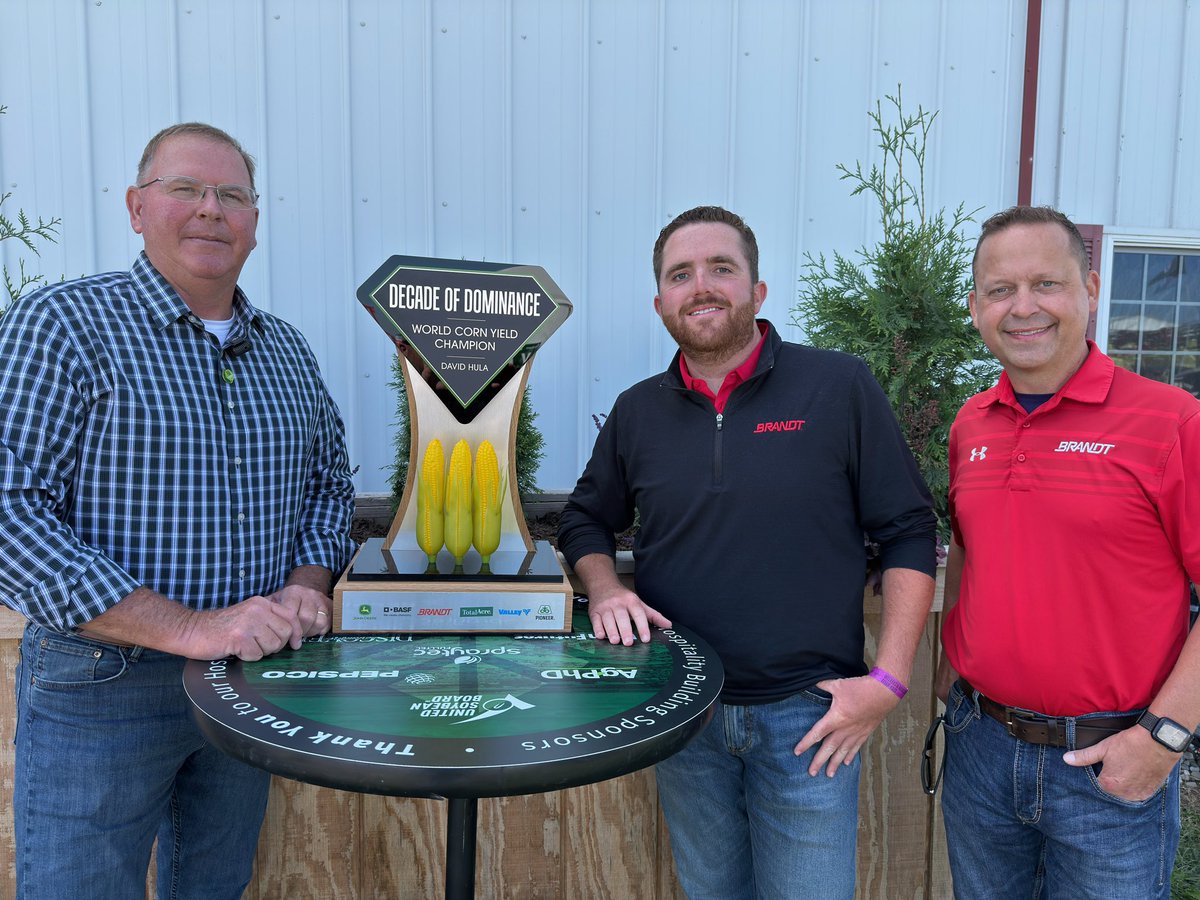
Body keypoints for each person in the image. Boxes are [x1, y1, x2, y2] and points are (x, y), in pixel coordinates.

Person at [0, 123, 356, 899]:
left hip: (248, 680)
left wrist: (306, 584)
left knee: (215, 885)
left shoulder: (287, 352)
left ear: (254, 222)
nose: (210, 210)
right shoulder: (65, 326)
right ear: (136, 207)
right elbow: (9, 514)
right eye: (185, 189)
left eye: (231, 195)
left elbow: (329, 487)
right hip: (103, 683)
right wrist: (190, 627)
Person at [558, 205, 937, 899]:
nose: (700, 286)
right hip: (682, 712)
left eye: (721, 268)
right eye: (681, 274)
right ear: (661, 302)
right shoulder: (637, 411)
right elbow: (584, 521)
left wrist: (887, 683)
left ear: (758, 291)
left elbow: (910, 528)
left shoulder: (838, 386)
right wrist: (606, 589)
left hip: (811, 718)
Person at [936, 205, 1200, 899]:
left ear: (1089, 290)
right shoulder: (972, 424)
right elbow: (968, 551)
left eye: (1045, 284)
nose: (1023, 308)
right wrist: (947, 673)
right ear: (975, 307)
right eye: (1000, 290)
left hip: (1109, 760)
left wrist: (1163, 738)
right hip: (981, 748)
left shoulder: (1171, 422)